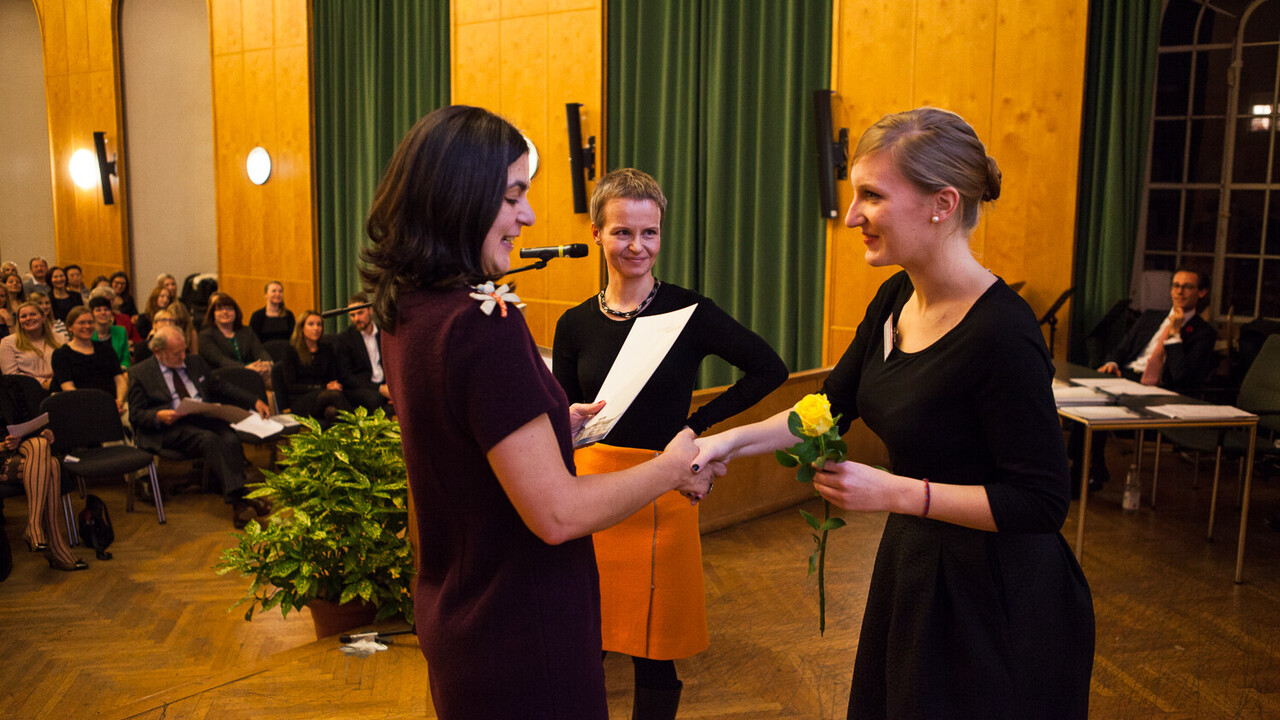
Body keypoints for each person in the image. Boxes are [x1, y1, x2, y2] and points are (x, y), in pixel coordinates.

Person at [692, 108, 1095, 720]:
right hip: (918, 566)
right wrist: (726, 442)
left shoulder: (1003, 333)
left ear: (942, 203)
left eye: (872, 196)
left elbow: (1040, 504)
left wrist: (895, 492)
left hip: (999, 598)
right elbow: (832, 405)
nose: (852, 215)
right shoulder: (895, 295)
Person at [363, 105, 722, 718]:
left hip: (459, 613)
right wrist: (671, 468)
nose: (526, 216)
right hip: (522, 627)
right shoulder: (484, 322)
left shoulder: (407, 310)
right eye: (512, 196)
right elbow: (557, 514)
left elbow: (461, 442)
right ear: (458, 197)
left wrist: (557, 425)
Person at [551, 168, 787, 717]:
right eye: (622, 232)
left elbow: (767, 368)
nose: (637, 246)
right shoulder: (573, 324)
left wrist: (697, 430)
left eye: (649, 233)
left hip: (662, 491)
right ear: (597, 234)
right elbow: (560, 415)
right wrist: (565, 420)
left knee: (654, 652)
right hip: (592, 494)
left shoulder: (689, 312)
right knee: (586, 639)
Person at [1073, 268, 1219, 489]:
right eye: (1176, 286)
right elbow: (1121, 350)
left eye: (1187, 287)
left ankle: (1083, 473)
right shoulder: (1151, 316)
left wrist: (1176, 335)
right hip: (1127, 377)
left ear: (1201, 292)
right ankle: (1087, 467)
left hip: (1160, 388)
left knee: (1097, 409)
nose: (1180, 292)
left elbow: (1182, 377)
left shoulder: (1203, 333)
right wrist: (1112, 363)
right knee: (1081, 404)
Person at [127, 325, 272, 528]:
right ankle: (240, 500)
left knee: (230, 437)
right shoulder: (141, 373)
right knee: (209, 439)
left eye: (184, 350)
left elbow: (220, 386)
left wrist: (253, 400)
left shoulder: (193, 361)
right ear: (158, 352)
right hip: (169, 427)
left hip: (201, 416)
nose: (183, 356)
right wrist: (157, 416)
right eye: (176, 353)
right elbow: (135, 414)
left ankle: (240, 498)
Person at [1, 374, 87, 571]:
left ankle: (34, 527)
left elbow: (25, 422)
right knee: (52, 466)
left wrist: (41, 433)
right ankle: (55, 545)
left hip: (20, 450)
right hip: (2, 454)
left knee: (41, 446)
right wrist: (4, 444)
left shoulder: (10, 385)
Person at [281, 311, 351, 425]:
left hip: (325, 396)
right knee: (335, 395)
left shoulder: (327, 348)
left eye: (319, 324)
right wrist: (322, 387)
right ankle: (362, 431)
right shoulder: (291, 350)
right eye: (311, 324)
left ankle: (337, 441)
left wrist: (333, 384)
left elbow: (333, 376)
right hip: (301, 400)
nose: (316, 328)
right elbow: (291, 386)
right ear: (301, 328)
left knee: (332, 412)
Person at [52, 306, 127, 413]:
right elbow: (68, 388)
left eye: (90, 322)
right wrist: (96, 407)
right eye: (81, 323)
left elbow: (119, 379)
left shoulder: (106, 349)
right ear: (70, 327)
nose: (87, 326)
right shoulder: (61, 354)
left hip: (112, 404)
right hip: (80, 408)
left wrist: (119, 401)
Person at [333, 291, 393, 415]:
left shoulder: (385, 333)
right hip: (361, 387)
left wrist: (392, 388)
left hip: (385, 383)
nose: (356, 318)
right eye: (352, 315)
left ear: (370, 311)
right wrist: (379, 389)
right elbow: (347, 377)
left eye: (360, 313)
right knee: (374, 399)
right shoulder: (345, 339)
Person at [197, 292, 273, 385]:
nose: (225, 312)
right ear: (213, 314)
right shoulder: (205, 336)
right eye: (220, 309)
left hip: (252, 373)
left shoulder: (246, 331)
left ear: (236, 312)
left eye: (229, 309)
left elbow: (259, 350)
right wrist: (246, 368)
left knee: (275, 379)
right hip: (223, 378)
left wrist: (267, 363)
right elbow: (220, 360)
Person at [0, 301, 61, 391]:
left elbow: (66, 366)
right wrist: (42, 382)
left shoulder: (60, 338)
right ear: (19, 321)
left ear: (43, 317)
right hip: (25, 392)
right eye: (23, 316)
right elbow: (11, 375)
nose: (28, 318)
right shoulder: (8, 343)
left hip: (58, 388)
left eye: (33, 314)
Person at [248, 281, 295, 346]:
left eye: (280, 291)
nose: (278, 294)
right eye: (274, 291)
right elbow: (253, 340)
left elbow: (293, 338)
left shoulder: (289, 315)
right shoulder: (257, 316)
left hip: (285, 353)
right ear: (266, 294)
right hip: (264, 353)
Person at [88, 295, 129, 369]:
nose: (103, 313)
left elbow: (125, 359)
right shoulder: (88, 335)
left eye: (106, 309)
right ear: (92, 314)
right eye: (98, 310)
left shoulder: (121, 331)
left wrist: (122, 369)